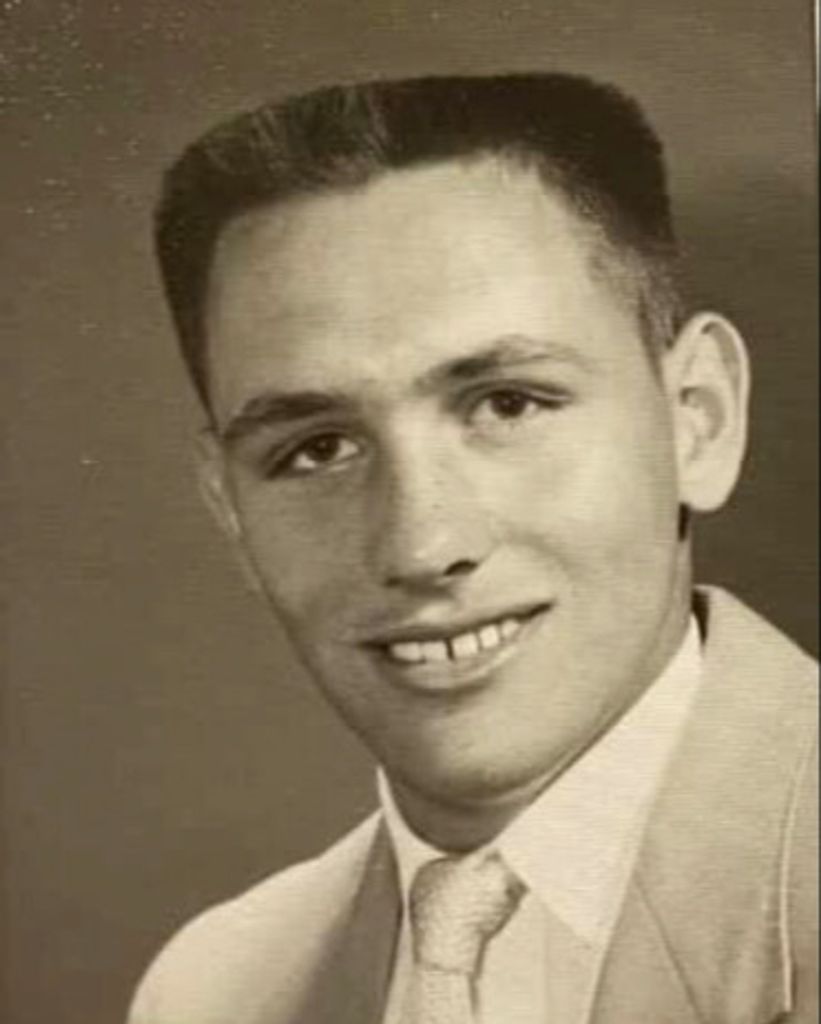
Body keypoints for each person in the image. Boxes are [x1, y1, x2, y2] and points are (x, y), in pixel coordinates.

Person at [127, 73, 818, 1024]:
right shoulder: (213, 993)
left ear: (696, 419)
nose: (422, 543)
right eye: (316, 450)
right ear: (230, 509)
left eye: (508, 403)